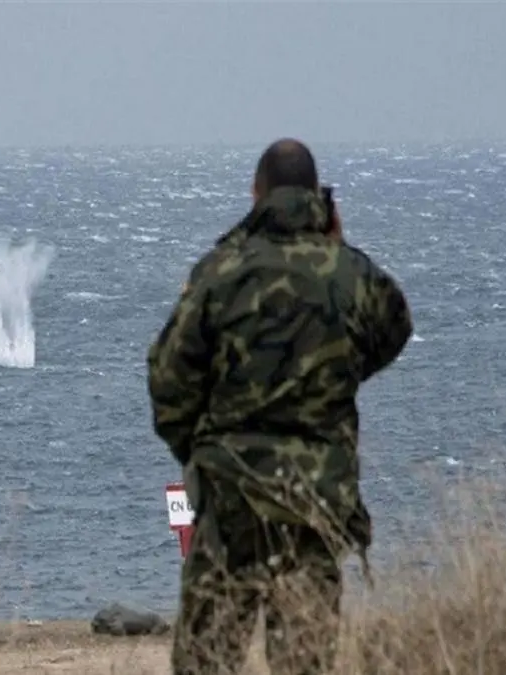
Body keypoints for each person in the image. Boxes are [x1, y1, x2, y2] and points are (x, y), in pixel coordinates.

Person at [146, 138, 413, 675]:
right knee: (303, 664)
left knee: (206, 662)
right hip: (315, 507)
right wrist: (334, 375)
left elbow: (167, 381)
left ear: (256, 194)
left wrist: (201, 453)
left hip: (230, 507)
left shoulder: (219, 272)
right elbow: (393, 329)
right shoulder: (350, 275)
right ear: (320, 197)